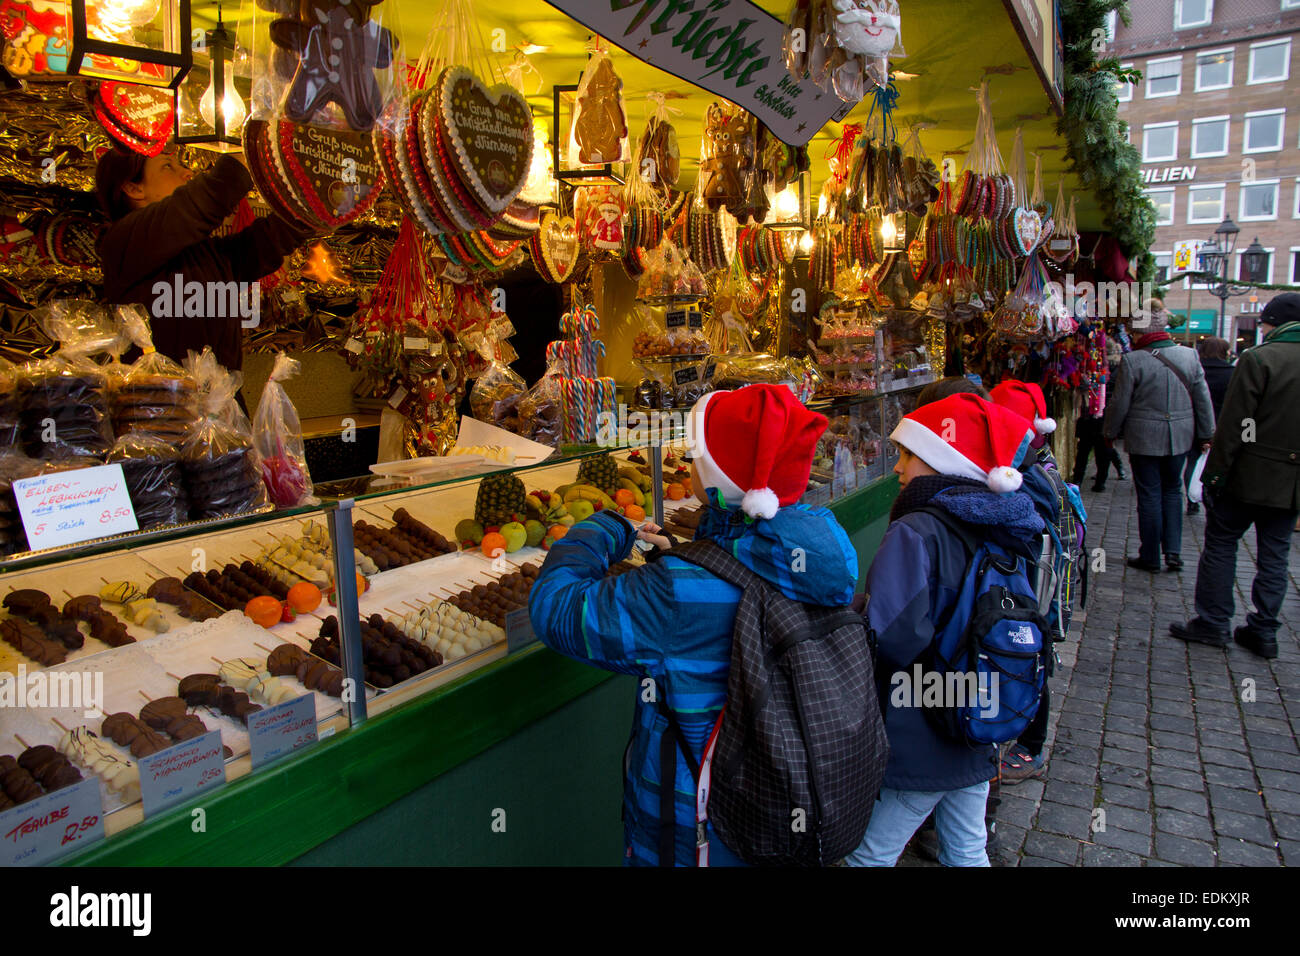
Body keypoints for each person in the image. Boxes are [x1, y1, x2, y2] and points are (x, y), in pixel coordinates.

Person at [528, 385, 858, 866]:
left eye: (698, 452)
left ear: (721, 476)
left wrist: (601, 530)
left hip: (697, 825)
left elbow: (556, 610)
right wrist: (687, 559)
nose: (687, 456)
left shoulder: (678, 591)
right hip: (786, 793)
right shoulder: (826, 554)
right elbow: (736, 584)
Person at [846, 393, 1044, 867]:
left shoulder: (917, 528)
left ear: (941, 461)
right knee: (967, 848)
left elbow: (892, 635)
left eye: (909, 455)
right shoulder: (1005, 522)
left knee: (868, 856)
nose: (897, 468)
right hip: (978, 710)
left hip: (923, 721)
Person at [96, 144, 310, 375]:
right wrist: (258, 147)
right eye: (168, 167)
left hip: (222, 406)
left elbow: (270, 240)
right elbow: (206, 200)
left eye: (181, 165)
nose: (187, 173)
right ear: (132, 188)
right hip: (161, 404)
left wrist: (313, 203)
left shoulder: (208, 256)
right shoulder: (124, 243)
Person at [1170, 294, 1300, 659]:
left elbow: (1237, 425)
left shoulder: (1260, 358)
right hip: (1290, 484)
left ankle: (1213, 621)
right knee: (1276, 554)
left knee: (1222, 543)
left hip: (1248, 473)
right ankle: (1264, 630)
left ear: (1272, 324)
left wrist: (1214, 475)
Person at [1102, 307, 1215, 572]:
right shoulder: (1189, 356)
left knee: (1150, 494)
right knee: (1173, 491)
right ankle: (1173, 552)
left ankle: (1151, 555)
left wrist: (1109, 432)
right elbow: (1203, 398)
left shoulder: (1134, 360)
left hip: (1144, 437)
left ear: (1140, 331)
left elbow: (1120, 403)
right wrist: (1207, 433)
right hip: (1180, 434)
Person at [1183, 337, 1233, 515]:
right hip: (1220, 425)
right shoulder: (1231, 373)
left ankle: (1192, 500)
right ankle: (1211, 497)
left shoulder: (1194, 369)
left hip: (1192, 423)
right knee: (1216, 463)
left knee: (1192, 461)